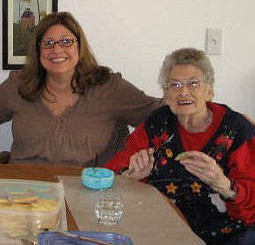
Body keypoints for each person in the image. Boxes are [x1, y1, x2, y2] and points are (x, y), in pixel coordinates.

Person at [105, 48, 255, 245]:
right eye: (174, 85)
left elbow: (251, 207)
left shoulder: (236, 130)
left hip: (225, 235)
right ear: (166, 94)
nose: (184, 91)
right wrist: (131, 177)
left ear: (209, 90)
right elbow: (112, 173)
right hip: (163, 229)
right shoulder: (157, 124)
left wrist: (223, 185)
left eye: (193, 83)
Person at [0, 11, 162, 166]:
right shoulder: (18, 85)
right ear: (38, 50)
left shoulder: (109, 87)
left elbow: (160, 114)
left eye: (66, 41)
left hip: (87, 190)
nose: (56, 50)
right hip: (22, 188)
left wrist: (182, 90)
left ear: (80, 46)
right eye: (48, 43)